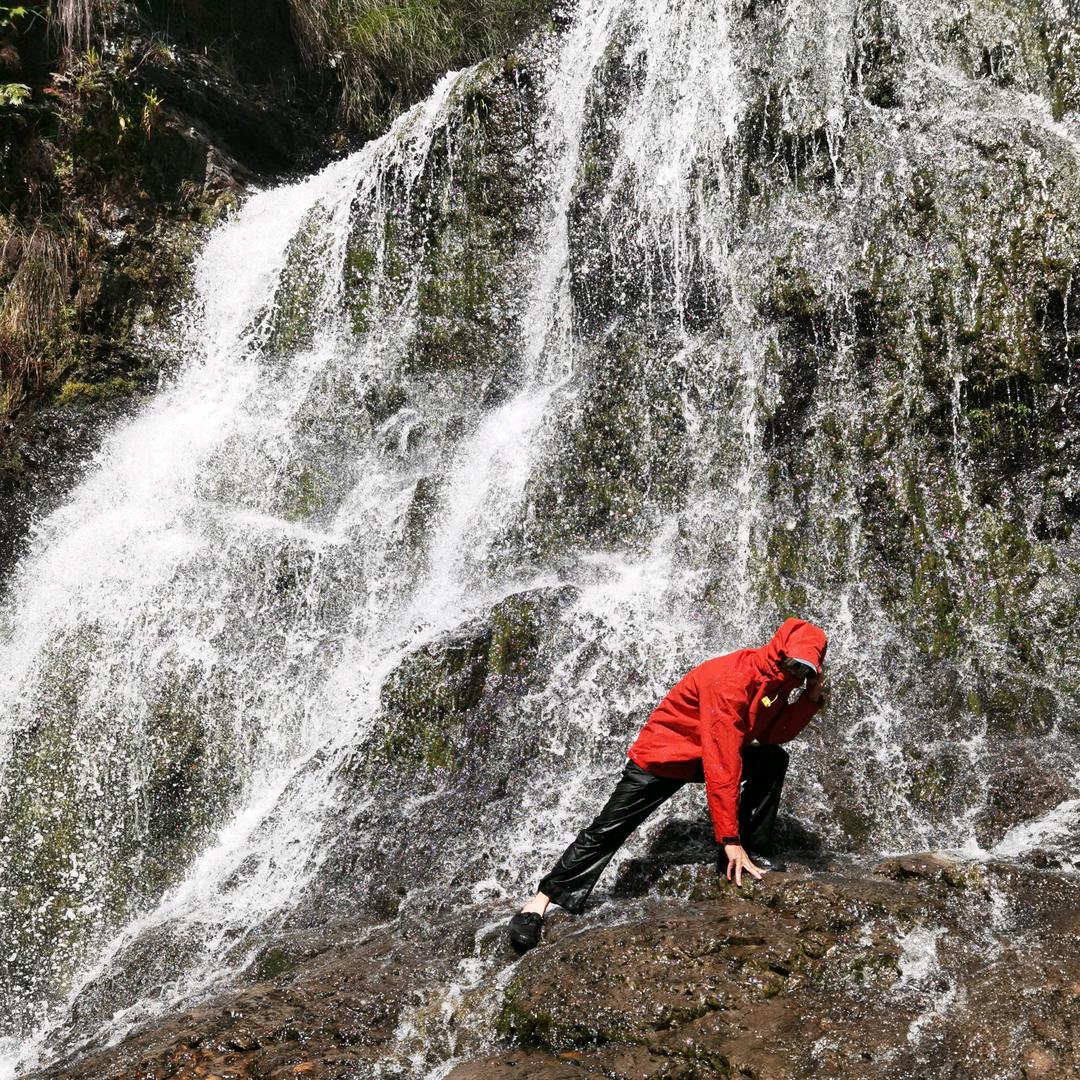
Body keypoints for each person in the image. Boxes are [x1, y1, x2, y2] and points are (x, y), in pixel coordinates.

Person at [507, 617, 829, 952]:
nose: (796, 672)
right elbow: (722, 765)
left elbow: (772, 735)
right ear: (779, 651)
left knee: (772, 759)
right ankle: (537, 905)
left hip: (702, 757)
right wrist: (728, 839)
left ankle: (749, 853)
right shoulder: (733, 678)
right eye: (793, 663)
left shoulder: (778, 684)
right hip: (662, 757)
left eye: (805, 669)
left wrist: (810, 697)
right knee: (608, 829)